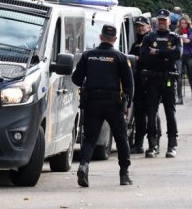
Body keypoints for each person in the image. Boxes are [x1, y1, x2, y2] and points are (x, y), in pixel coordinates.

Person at [72, 24, 134, 187]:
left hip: (93, 102)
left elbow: (76, 79)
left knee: (90, 138)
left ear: (100, 37)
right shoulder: (120, 57)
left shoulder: (88, 56)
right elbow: (129, 84)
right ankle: (124, 175)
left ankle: (83, 166)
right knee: (121, 137)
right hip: (114, 103)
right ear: (114, 39)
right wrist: (128, 103)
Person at [140, 9, 181, 158]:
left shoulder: (175, 37)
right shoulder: (149, 37)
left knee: (170, 111)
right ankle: (152, 145)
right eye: (160, 20)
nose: (162, 22)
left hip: (168, 79)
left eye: (165, 20)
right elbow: (144, 56)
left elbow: (177, 55)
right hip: (153, 78)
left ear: (169, 21)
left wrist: (156, 52)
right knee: (151, 112)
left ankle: (172, 145)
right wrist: (165, 55)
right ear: (156, 21)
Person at [128, 15, 151, 153]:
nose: (140, 28)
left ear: (149, 27)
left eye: (143, 26)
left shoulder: (152, 40)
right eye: (138, 26)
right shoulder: (136, 43)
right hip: (138, 82)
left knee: (152, 114)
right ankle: (139, 143)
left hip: (150, 81)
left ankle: (154, 144)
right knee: (139, 114)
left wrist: (140, 59)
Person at [177, 14, 192, 104]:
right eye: (182, 23)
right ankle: (179, 97)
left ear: (188, 23)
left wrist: (190, 41)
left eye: (185, 23)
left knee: (191, 77)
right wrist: (179, 41)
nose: (183, 25)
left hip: (189, 55)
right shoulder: (177, 31)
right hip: (180, 56)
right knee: (178, 76)